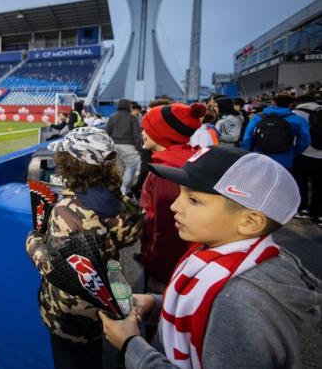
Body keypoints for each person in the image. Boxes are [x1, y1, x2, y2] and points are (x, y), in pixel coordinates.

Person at [99, 146, 322, 369]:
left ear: (249, 222)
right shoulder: (224, 253)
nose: (175, 206)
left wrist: (131, 346)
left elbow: (220, 317)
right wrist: (155, 303)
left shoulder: (237, 303)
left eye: (194, 200)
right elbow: (201, 314)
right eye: (180, 193)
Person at [26, 127, 144, 369]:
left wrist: (33, 241)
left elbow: (55, 266)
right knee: (91, 358)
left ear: (70, 165)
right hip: (103, 305)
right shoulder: (123, 201)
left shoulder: (67, 211)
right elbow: (128, 235)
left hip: (70, 315)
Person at [139, 102, 205, 293]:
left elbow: (166, 228)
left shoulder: (166, 171)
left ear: (161, 134)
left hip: (168, 266)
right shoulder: (186, 159)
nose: (142, 131)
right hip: (184, 260)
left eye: (147, 128)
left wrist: (160, 274)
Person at [240, 94, 310, 170]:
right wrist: (293, 153)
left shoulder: (257, 118)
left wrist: (245, 155)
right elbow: (305, 141)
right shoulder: (299, 119)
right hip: (285, 160)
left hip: (260, 158)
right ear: (290, 104)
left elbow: (247, 139)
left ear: (273, 103)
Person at [292, 94, 322, 224]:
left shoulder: (296, 113)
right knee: (319, 186)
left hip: (303, 154)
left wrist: (297, 150)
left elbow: (295, 136)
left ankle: (303, 209)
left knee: (301, 183)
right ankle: (318, 213)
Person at [106, 98, 143, 195]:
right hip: (129, 146)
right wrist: (139, 149)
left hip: (114, 146)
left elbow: (106, 133)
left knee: (118, 167)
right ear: (128, 106)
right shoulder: (133, 118)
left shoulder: (112, 117)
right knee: (131, 166)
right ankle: (124, 189)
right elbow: (137, 135)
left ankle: (115, 188)